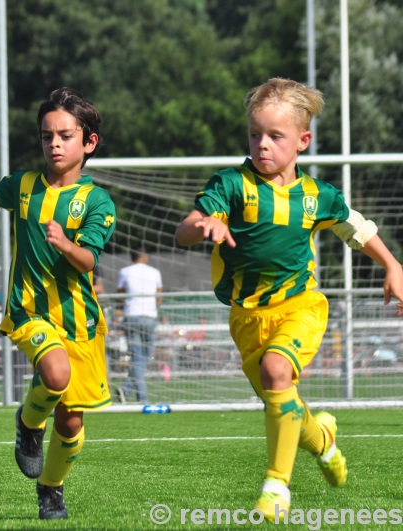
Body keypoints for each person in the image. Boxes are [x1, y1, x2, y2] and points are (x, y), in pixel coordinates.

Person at [174, 77, 403, 521]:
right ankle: (326, 443)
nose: (262, 145)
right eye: (254, 134)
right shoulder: (231, 185)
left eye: (275, 136)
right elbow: (187, 227)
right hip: (246, 320)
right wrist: (202, 227)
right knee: (287, 406)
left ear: (302, 141)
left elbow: (359, 229)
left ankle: (276, 487)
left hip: (301, 308)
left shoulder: (318, 196)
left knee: (278, 370)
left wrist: (393, 267)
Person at [0, 87, 116, 520]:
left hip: (80, 322)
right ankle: (28, 425)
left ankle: (51, 488)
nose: (54, 143)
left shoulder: (98, 202)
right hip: (29, 312)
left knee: (71, 422)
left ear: (88, 142)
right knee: (55, 373)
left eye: (65, 135)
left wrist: (67, 244)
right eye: (47, 135)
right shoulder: (25, 185)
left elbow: (88, 258)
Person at [116, 247, 162, 404]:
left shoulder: (125, 271)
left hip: (132, 315)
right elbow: (159, 297)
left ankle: (126, 389)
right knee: (145, 356)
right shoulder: (155, 272)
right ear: (145, 257)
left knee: (137, 357)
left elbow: (120, 296)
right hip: (149, 316)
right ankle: (142, 399)